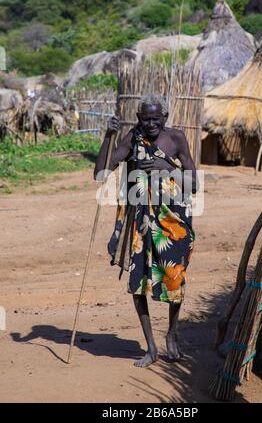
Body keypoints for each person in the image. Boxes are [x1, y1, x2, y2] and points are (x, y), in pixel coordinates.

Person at [94, 94, 198, 368]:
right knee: (138, 284)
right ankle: (151, 348)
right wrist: (108, 136)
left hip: (172, 222)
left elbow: (194, 183)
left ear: (164, 117)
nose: (151, 124)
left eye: (156, 118)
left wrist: (166, 169)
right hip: (140, 222)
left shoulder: (176, 139)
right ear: (138, 119)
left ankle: (172, 333)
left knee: (174, 280)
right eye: (145, 119)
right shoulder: (131, 138)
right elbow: (101, 173)